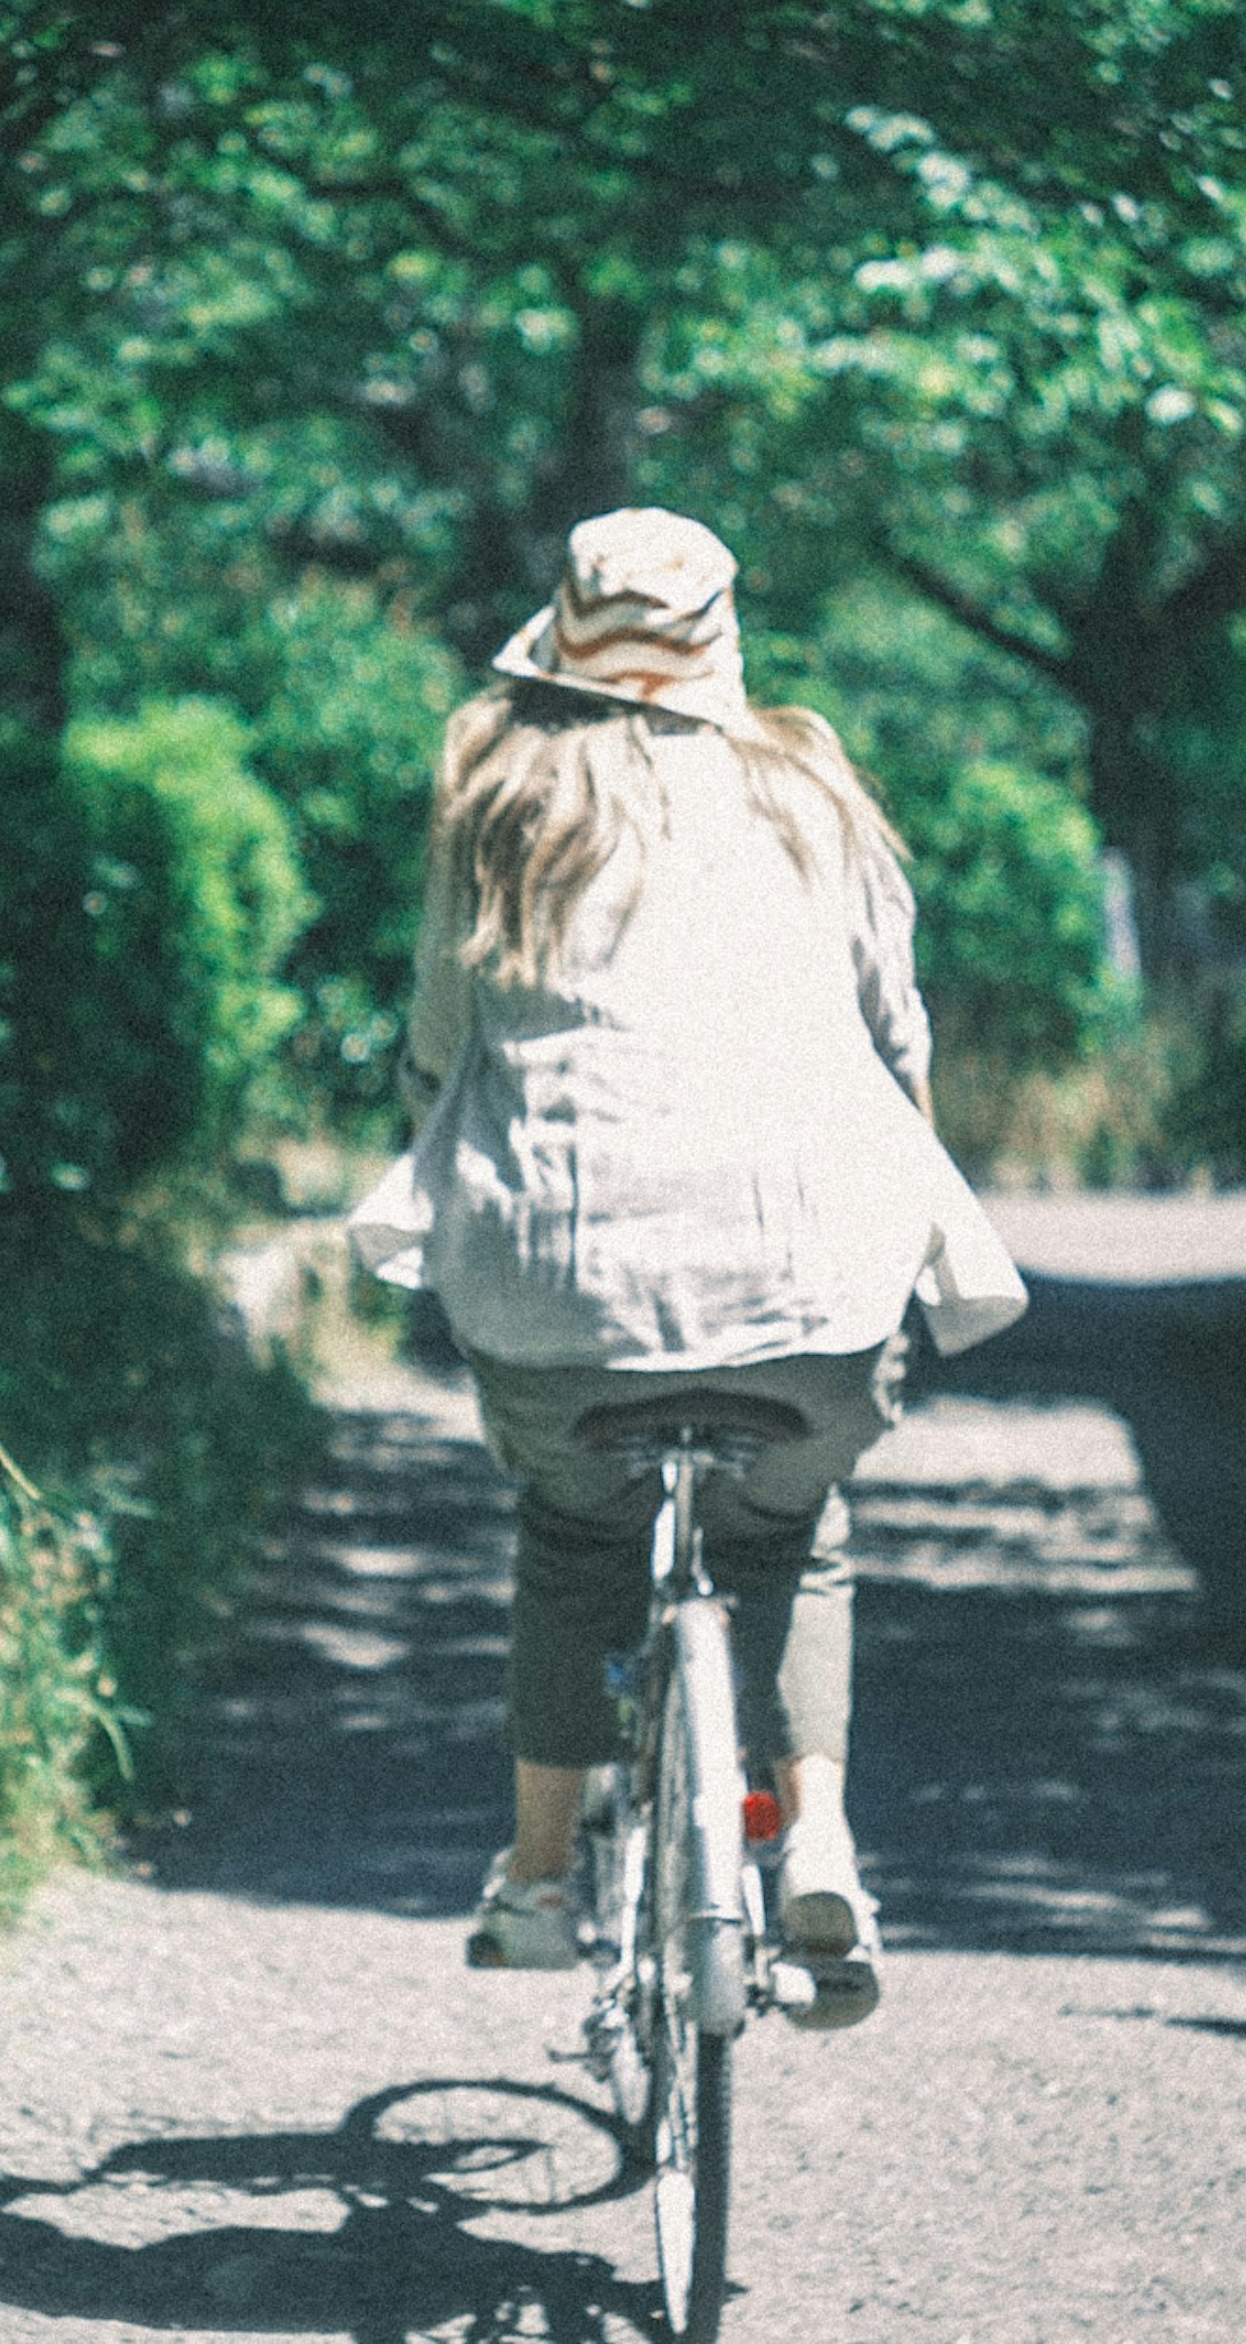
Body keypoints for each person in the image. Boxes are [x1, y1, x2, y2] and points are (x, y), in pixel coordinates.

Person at [350, 506, 1028, 2032]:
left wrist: (446, 1157)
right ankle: (825, 1839)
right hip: (814, 1289)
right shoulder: (810, 785)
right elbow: (896, 1038)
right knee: (793, 1532)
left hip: (559, 1287)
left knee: (571, 1534)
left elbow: (441, 1046)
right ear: (725, 648)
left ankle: (534, 1887)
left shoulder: (498, 787)